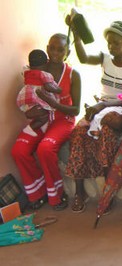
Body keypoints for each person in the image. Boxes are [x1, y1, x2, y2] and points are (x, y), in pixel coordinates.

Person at [64, 18, 122, 213]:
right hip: (101, 107)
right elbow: (83, 58)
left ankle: (108, 192)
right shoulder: (105, 58)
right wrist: (77, 34)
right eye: (109, 42)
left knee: (106, 134)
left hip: (120, 110)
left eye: (117, 42)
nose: (112, 46)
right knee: (78, 134)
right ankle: (80, 192)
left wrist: (103, 105)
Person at [11, 33, 81, 211]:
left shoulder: (73, 74)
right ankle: (37, 192)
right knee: (18, 150)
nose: (56, 53)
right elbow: (29, 92)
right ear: (47, 48)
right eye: (53, 48)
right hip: (42, 119)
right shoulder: (39, 69)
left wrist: (53, 103)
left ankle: (57, 194)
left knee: (45, 148)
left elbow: (76, 110)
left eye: (61, 50)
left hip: (63, 120)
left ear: (68, 52)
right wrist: (29, 111)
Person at [16, 49, 62, 137]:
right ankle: (30, 128)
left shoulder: (27, 72)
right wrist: (58, 90)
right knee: (45, 115)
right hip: (34, 98)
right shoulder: (44, 74)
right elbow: (48, 87)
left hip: (24, 98)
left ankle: (38, 126)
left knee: (39, 114)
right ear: (46, 63)